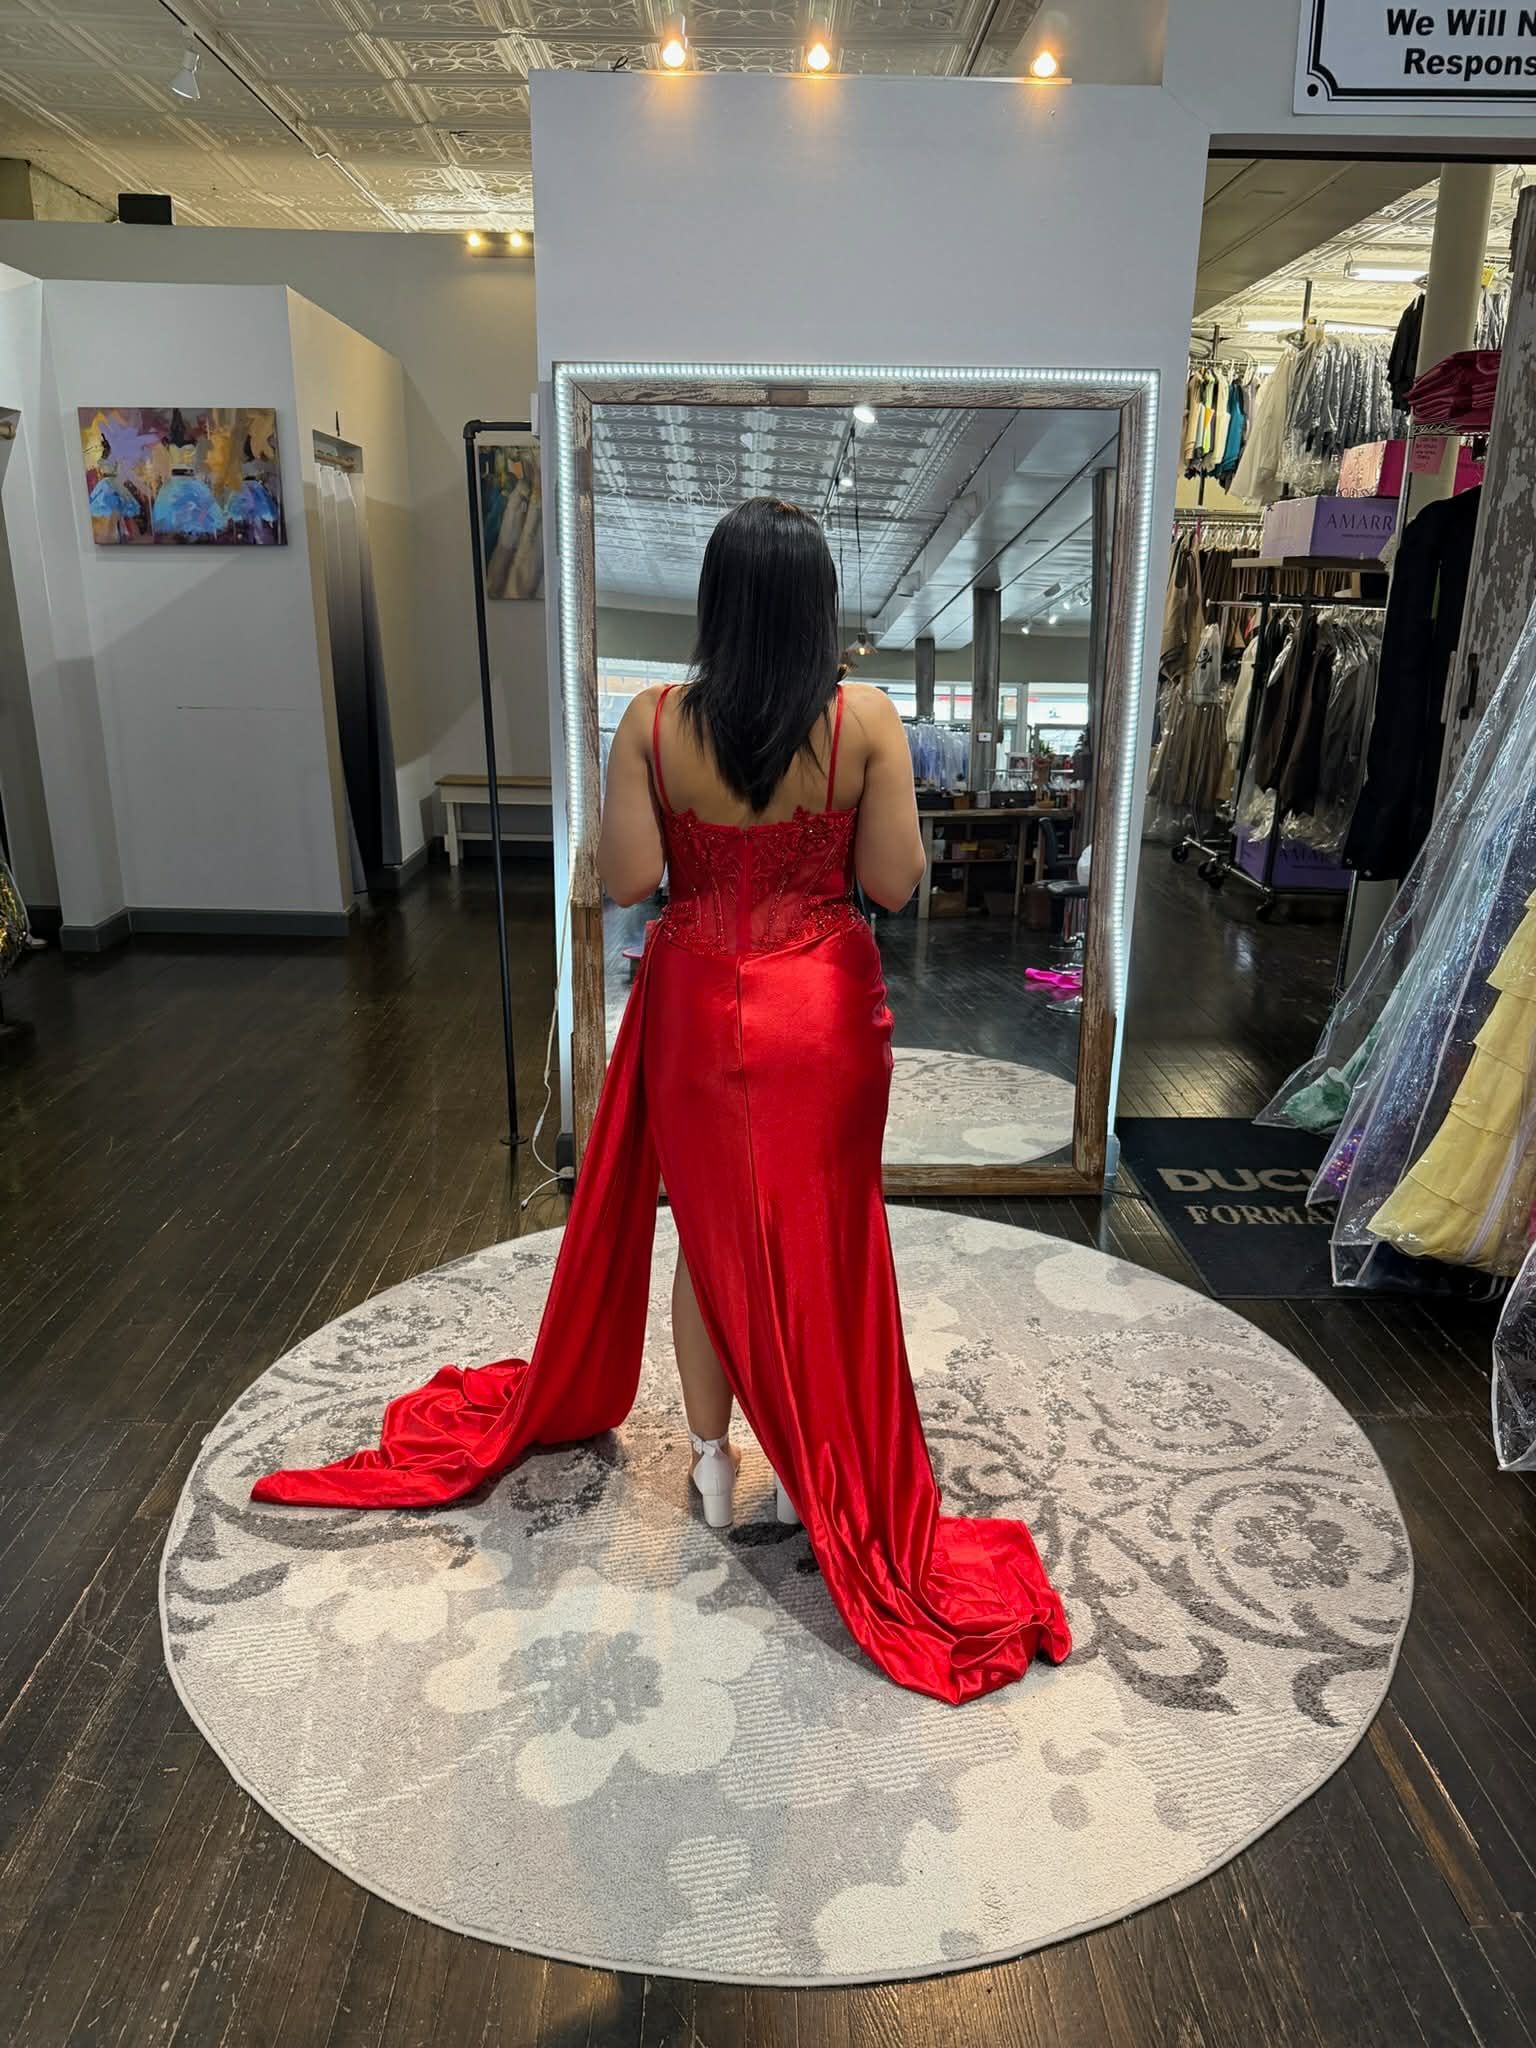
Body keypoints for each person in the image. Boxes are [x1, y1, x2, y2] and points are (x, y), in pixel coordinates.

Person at [253, 497, 1070, 1706]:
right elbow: (894, 883)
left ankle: (709, 1461)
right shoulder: (867, 720)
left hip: (699, 1003)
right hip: (825, 1013)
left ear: (714, 605)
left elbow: (634, 878)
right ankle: (809, 1472)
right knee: (822, 1235)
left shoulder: (650, 721)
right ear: (819, 609)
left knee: (708, 1235)